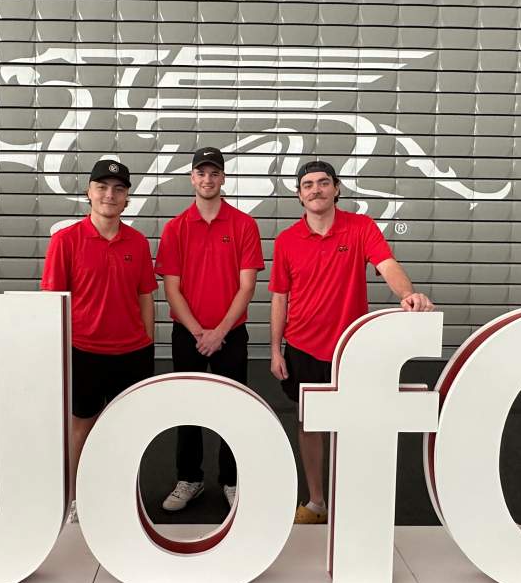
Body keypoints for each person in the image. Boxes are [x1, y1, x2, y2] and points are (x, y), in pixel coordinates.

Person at [269, 160, 434, 524]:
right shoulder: (286, 240)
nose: (316, 189)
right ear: (299, 195)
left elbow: (387, 264)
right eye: (308, 184)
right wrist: (275, 350)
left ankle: (355, 501)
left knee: (356, 425)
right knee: (309, 425)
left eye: (323, 182)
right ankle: (316, 502)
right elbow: (280, 297)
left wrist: (407, 294)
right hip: (302, 348)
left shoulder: (360, 228)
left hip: (350, 350)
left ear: (337, 188)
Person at [40, 159, 158, 522]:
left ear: (127, 198)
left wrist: (147, 342)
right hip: (84, 351)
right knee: (82, 426)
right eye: (102, 187)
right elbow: (53, 301)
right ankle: (75, 498)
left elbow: (145, 296)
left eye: (119, 189)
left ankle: (124, 497)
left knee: (129, 430)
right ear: (89, 193)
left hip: (132, 353)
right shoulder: (66, 241)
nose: (110, 195)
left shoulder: (137, 242)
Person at [155, 147, 264, 511]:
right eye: (201, 173)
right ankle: (190, 479)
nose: (207, 179)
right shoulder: (175, 227)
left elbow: (247, 287)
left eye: (214, 173)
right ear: (192, 178)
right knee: (188, 408)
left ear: (223, 178)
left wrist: (219, 331)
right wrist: (199, 331)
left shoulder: (244, 225)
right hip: (188, 334)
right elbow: (171, 288)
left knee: (233, 408)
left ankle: (231, 480)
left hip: (230, 333)